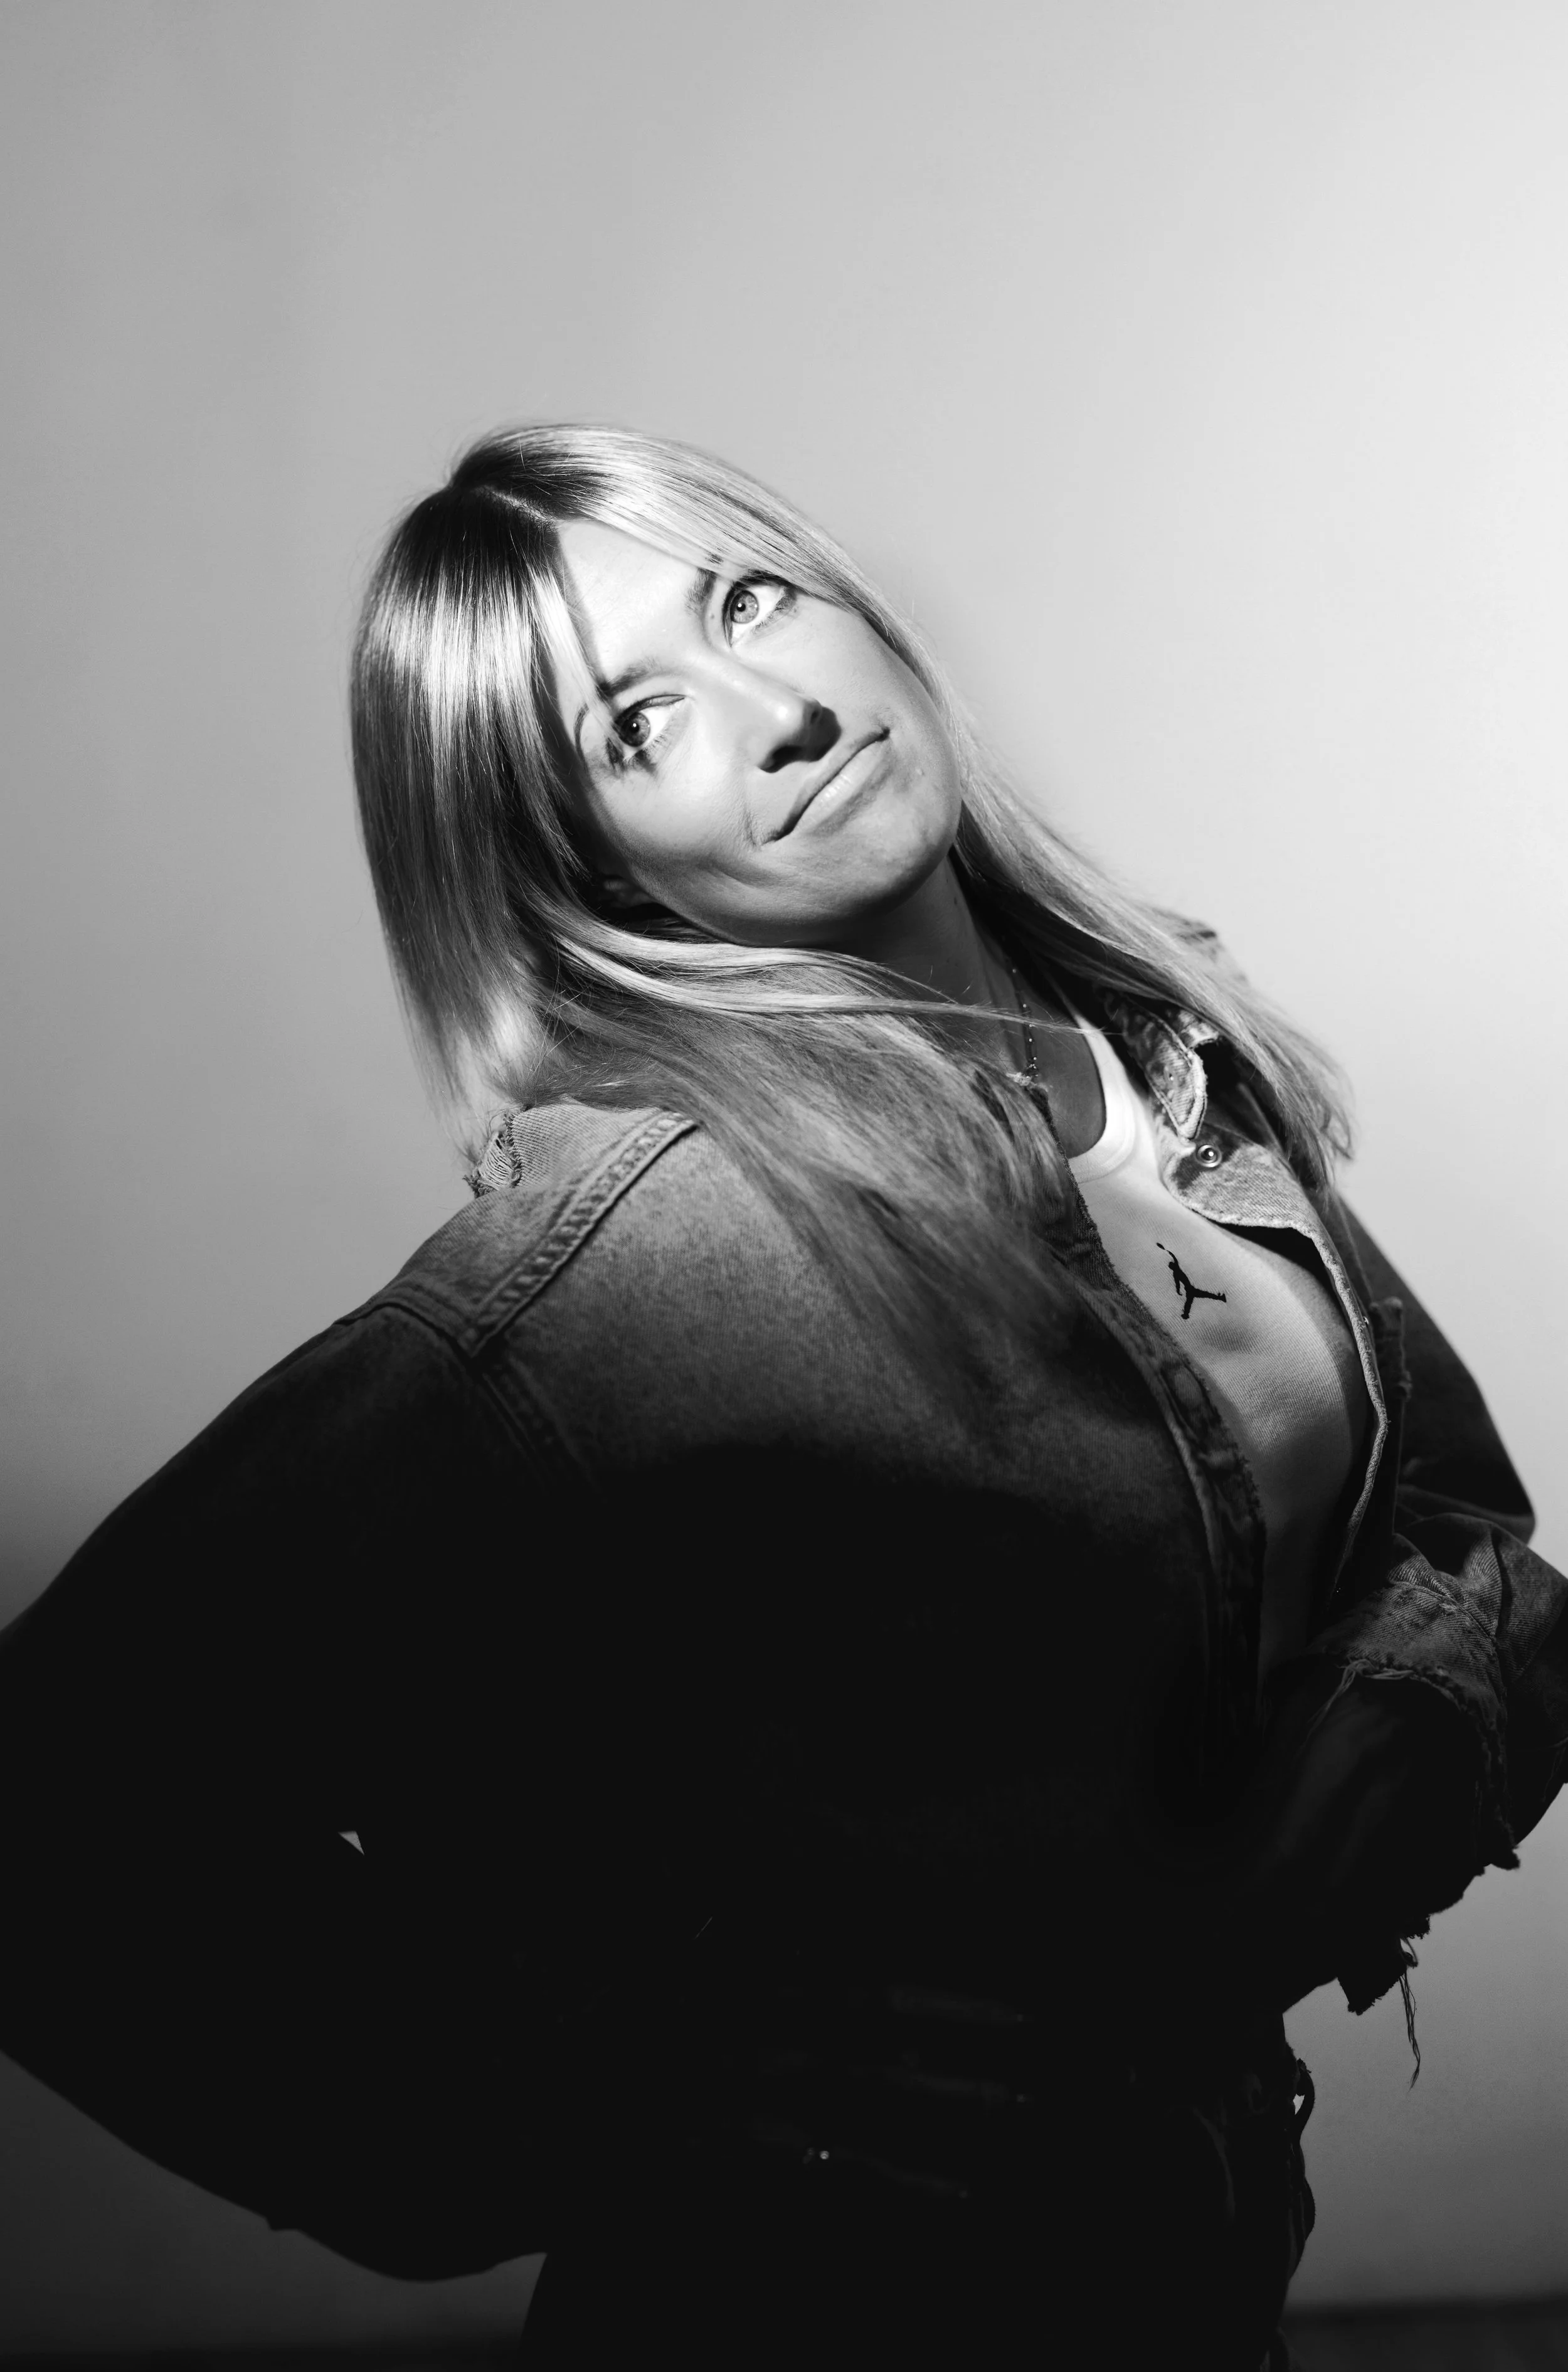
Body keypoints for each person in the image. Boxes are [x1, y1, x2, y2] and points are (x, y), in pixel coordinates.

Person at [1, 424, 1563, 2371]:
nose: (772, 712)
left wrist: (1413, 1728)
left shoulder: (1150, 1054)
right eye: (640, 725)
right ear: (587, 862)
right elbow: (50, 1803)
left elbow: (1462, 1527)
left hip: (1201, 2259)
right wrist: (572, 2103)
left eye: (749, 601)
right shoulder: (646, 1254)